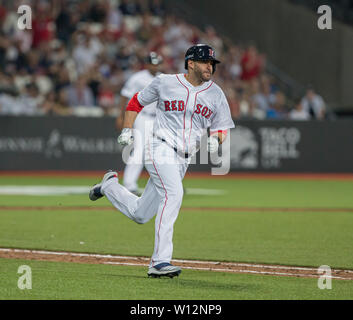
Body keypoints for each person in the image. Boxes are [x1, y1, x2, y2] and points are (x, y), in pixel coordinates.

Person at [89, 44, 235, 278]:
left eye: (212, 63)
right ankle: (159, 261)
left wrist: (216, 140)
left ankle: (109, 186)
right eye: (205, 62)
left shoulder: (216, 94)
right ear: (191, 63)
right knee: (174, 194)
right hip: (160, 147)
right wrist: (127, 129)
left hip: (183, 160)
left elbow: (222, 128)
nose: (210, 66)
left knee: (140, 213)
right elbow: (135, 101)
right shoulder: (166, 82)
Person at [116, 52, 163, 195]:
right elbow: (125, 96)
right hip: (142, 116)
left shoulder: (163, 78)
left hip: (159, 119)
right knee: (140, 150)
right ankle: (129, 184)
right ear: (147, 63)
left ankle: (165, 185)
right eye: (152, 63)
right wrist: (121, 116)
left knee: (161, 151)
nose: (154, 66)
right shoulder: (137, 78)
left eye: (157, 63)